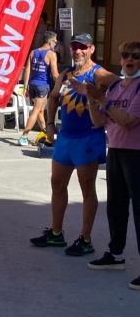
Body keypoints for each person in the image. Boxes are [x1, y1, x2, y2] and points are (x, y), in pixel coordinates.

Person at [29, 33, 119, 256]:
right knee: (57, 183)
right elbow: (53, 96)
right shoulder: (66, 74)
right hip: (66, 137)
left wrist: (102, 99)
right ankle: (56, 233)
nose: (78, 51)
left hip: (88, 137)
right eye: (74, 47)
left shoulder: (98, 73)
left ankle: (85, 239)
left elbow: (122, 84)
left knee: (86, 188)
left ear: (91, 49)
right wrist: (50, 123)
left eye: (82, 47)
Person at [68, 42, 140, 291]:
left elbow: (128, 121)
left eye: (135, 56)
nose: (129, 59)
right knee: (116, 206)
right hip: (117, 151)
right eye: (126, 55)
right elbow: (99, 122)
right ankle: (116, 254)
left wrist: (103, 100)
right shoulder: (117, 87)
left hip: (137, 154)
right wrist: (91, 98)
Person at [19, 32, 60, 146]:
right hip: (42, 85)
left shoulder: (33, 52)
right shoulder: (51, 54)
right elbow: (55, 74)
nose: (55, 44)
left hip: (32, 85)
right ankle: (24, 136)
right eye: (55, 42)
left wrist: (25, 86)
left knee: (40, 111)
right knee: (36, 111)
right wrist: (63, 84)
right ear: (50, 42)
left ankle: (45, 132)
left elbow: (27, 70)